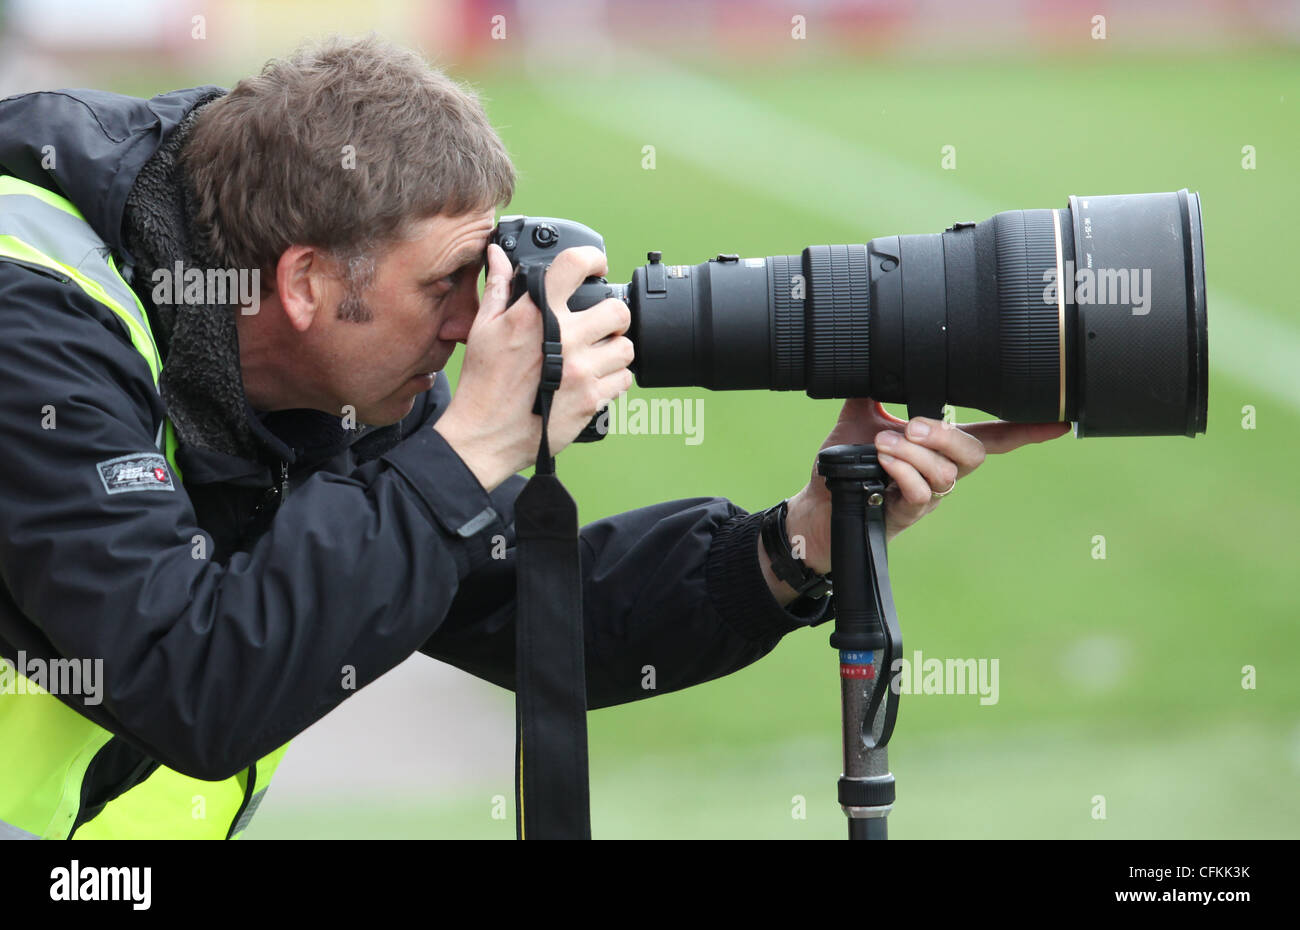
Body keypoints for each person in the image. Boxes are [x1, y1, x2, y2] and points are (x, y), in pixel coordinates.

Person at [0, 35, 1068, 840]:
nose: (472, 326)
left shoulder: (335, 373)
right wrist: (465, 449)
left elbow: (534, 607)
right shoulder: (34, 323)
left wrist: (801, 540)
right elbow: (183, 675)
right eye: (443, 288)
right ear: (306, 281)